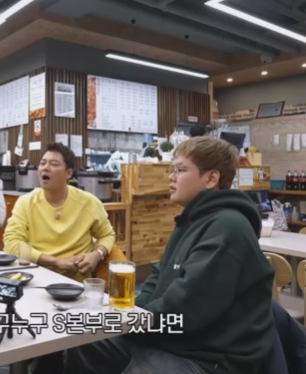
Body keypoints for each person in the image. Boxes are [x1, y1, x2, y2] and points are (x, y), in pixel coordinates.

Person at [65, 137, 275, 374]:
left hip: (208, 356)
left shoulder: (227, 227)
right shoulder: (190, 220)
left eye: (180, 170)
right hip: (170, 337)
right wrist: (130, 317)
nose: (171, 177)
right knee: (80, 340)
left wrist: (133, 323)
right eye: (172, 169)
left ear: (211, 178)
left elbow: (186, 308)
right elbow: (157, 277)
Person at [4, 143, 116, 284]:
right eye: (42, 163)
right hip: (34, 282)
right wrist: (55, 261)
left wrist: (96, 254)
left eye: (54, 164)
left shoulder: (88, 202)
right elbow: (12, 243)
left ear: (68, 173)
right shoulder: (26, 202)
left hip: (76, 284)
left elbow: (107, 235)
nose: (45, 168)